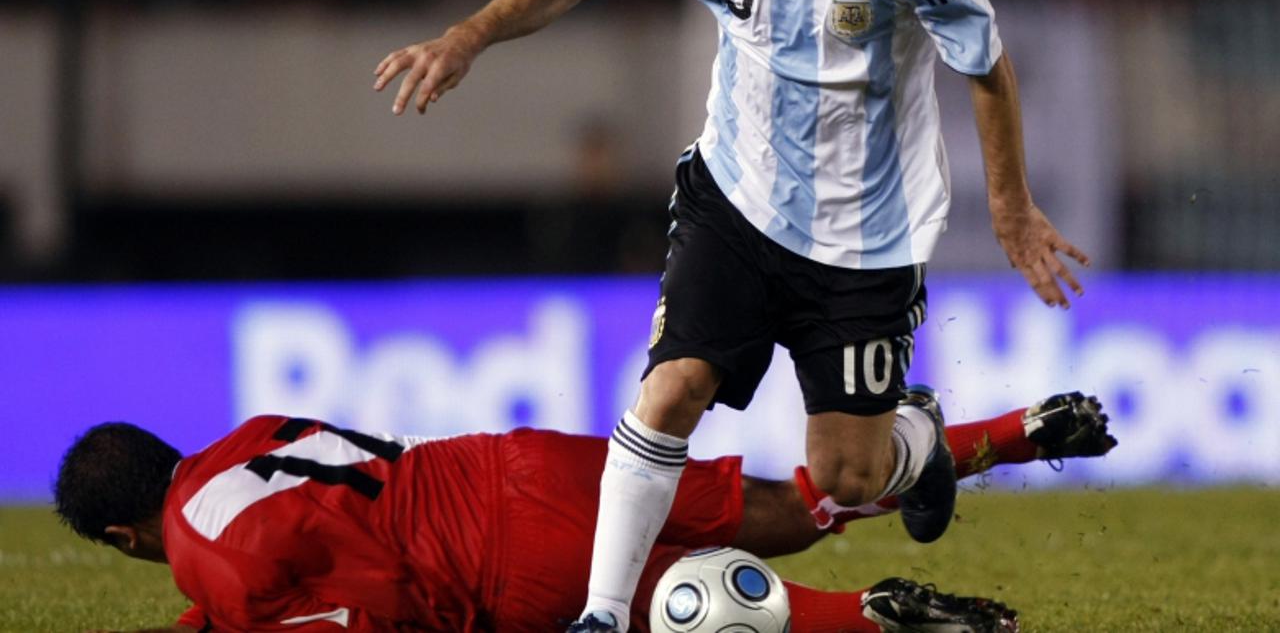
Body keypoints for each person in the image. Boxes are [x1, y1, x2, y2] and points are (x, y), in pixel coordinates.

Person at [371, 0, 1090, 628]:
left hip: (865, 237)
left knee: (847, 477)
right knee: (671, 390)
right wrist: (467, 36)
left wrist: (1011, 208)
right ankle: (603, 615)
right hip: (736, 203)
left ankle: (917, 437)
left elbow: (985, 64)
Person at [57, 392, 1115, 633]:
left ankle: (874, 617)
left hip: (501, 567)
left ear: (122, 538)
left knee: (686, 609)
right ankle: (1012, 431)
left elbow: (357, 612)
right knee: (782, 509)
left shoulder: (208, 563)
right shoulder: (252, 433)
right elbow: (319, 532)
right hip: (518, 466)